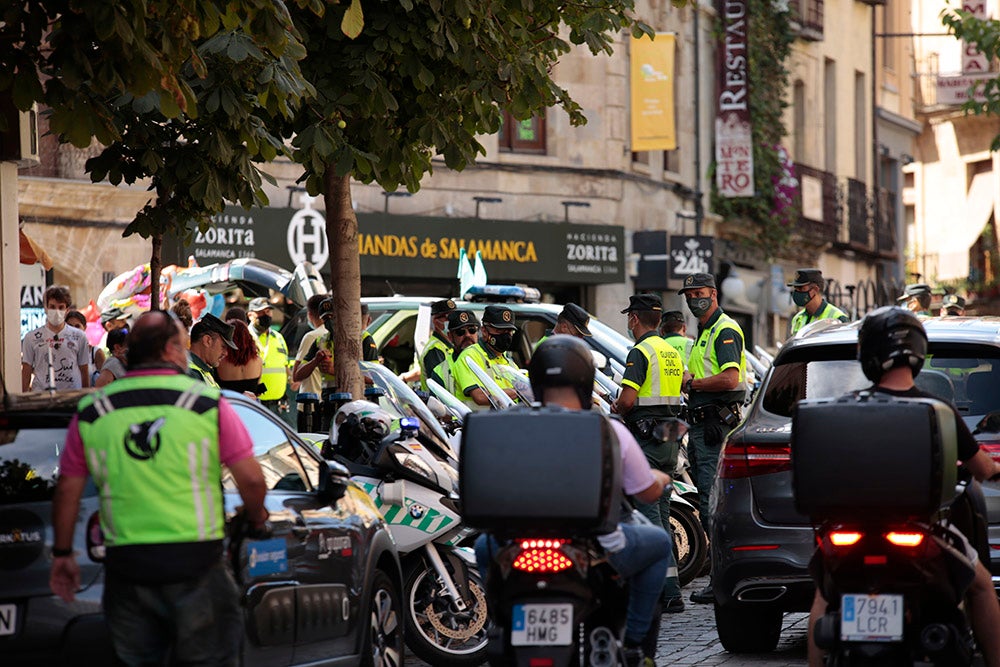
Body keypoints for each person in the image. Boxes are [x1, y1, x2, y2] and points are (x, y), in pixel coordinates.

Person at [49, 310, 268, 667]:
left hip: (127, 569)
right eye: (182, 346)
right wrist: (256, 518)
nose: (185, 354)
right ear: (170, 349)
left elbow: (67, 491)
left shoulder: (93, 412)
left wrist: (62, 554)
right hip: (196, 565)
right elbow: (253, 480)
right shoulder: (207, 404)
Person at [807, 306, 1000, 667]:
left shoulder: (844, 408)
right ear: (917, 354)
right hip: (920, 534)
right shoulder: (938, 409)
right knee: (982, 586)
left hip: (850, 535)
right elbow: (983, 468)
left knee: (823, 593)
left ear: (868, 354)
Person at [478, 335, 673, 667]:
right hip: (596, 549)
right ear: (585, 381)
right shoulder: (608, 429)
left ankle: (501, 621)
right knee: (659, 544)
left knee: (484, 545)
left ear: (536, 381)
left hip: (517, 548)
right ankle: (635, 644)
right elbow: (646, 492)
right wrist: (662, 478)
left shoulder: (509, 426)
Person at [611, 293, 685, 613]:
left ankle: (667, 592)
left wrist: (615, 406)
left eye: (630, 317)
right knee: (662, 515)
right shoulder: (670, 349)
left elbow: (628, 400)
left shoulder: (640, 352)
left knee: (651, 520)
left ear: (634, 319)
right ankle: (671, 585)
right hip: (669, 439)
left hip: (647, 442)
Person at [677, 272, 747, 604]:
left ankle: (720, 577)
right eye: (689, 295)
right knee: (710, 500)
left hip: (714, 428)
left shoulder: (724, 329)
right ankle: (721, 573)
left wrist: (693, 384)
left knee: (711, 503)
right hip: (705, 427)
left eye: (699, 293)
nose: (694, 299)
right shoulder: (705, 331)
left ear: (714, 295)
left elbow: (730, 378)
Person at [21, 285, 90, 392]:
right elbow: (26, 370)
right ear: (46, 308)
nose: (56, 311)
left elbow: (84, 369)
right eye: (52, 307)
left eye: (61, 307)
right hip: (42, 395)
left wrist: (86, 397)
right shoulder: (31, 337)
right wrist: (24, 399)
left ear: (67, 310)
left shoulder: (79, 336)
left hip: (71, 395)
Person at [452, 304, 519, 408]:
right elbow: (480, 397)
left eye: (509, 331)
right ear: (484, 331)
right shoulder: (469, 356)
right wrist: (516, 392)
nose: (505, 335)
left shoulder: (509, 361)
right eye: (499, 330)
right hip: (477, 422)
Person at [248, 297, 292, 424]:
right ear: (250, 315)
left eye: (268, 311)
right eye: (261, 312)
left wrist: (291, 379)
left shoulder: (278, 338)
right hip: (257, 404)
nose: (266, 315)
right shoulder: (246, 337)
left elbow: (284, 365)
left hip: (279, 406)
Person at [786, 268, 848, 336]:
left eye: (801, 288)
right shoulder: (797, 318)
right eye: (796, 289)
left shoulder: (838, 318)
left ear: (815, 289)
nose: (797, 292)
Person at [215, 319, 264, 396]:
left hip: (228, 405)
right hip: (250, 405)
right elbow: (258, 391)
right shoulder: (258, 361)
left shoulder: (219, 362)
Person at [188, 314, 238, 387]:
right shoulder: (191, 373)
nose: (226, 353)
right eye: (223, 347)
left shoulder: (204, 370)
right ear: (207, 340)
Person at [419, 299, 456, 391]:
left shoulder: (450, 344)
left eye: (453, 316)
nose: (451, 320)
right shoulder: (435, 349)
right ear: (435, 321)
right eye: (446, 317)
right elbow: (440, 385)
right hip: (438, 402)